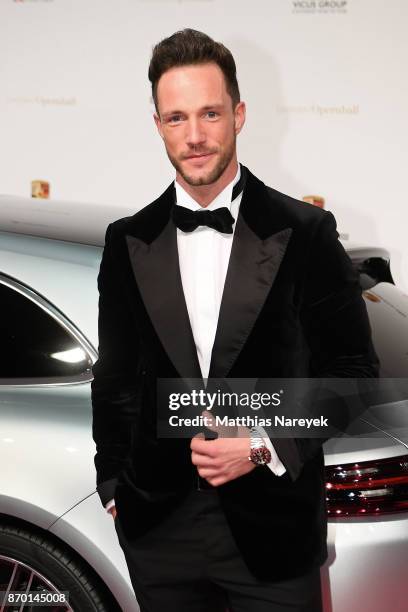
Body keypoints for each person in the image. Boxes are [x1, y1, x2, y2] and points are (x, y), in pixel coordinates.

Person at [91, 28, 378, 612]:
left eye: (210, 114)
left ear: (239, 115)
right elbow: (116, 381)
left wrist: (259, 443)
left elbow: (353, 375)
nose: (194, 137)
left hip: (270, 532)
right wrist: (114, 487)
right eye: (176, 118)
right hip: (158, 532)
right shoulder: (127, 241)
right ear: (157, 125)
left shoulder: (306, 234)